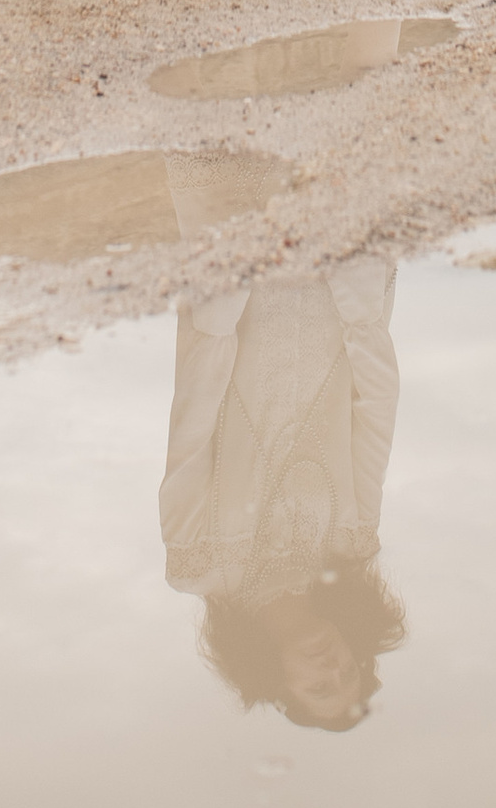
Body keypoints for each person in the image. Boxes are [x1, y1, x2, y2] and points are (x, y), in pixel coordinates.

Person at [158, 260, 406, 731]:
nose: (333, 666)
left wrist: (231, 278)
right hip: (336, 293)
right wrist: (351, 284)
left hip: (238, 296)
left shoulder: (196, 564)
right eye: (349, 671)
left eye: (319, 686)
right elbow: (376, 410)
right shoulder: (351, 544)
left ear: (276, 677)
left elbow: (191, 424)